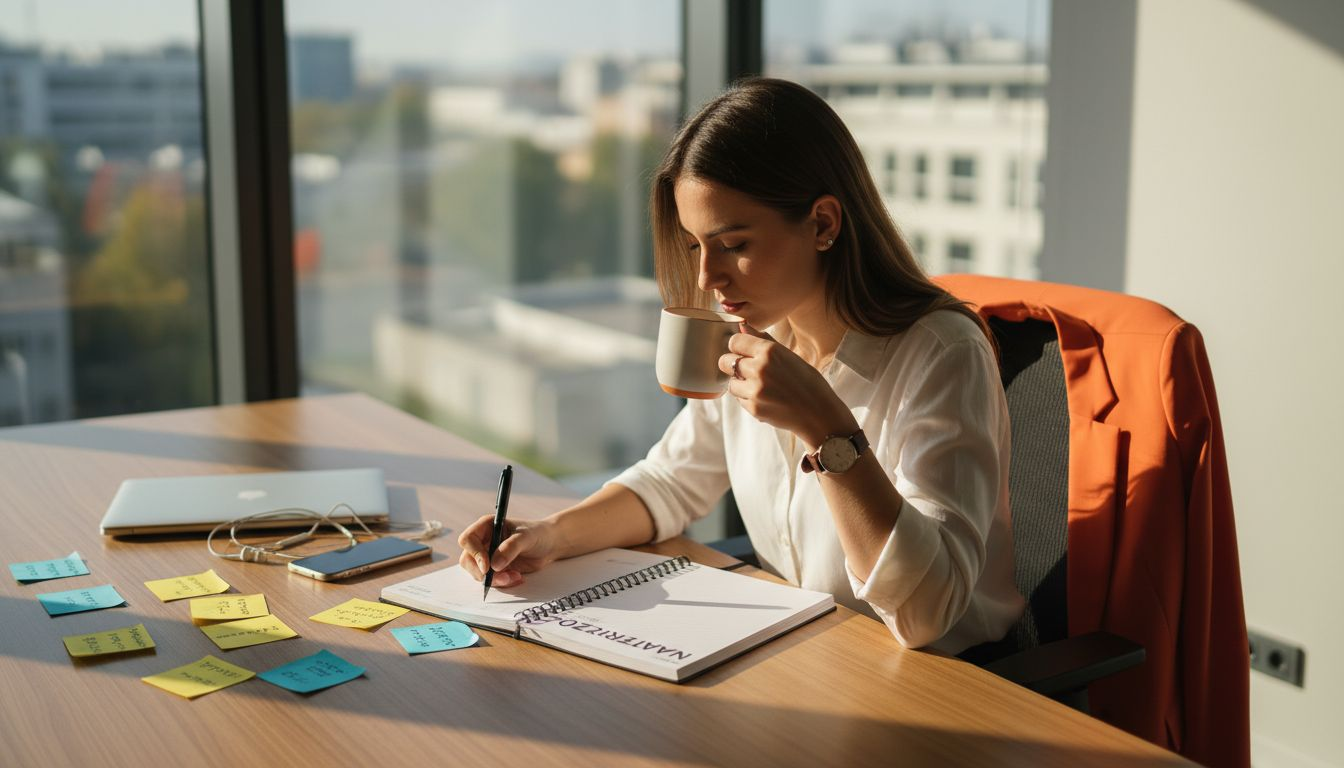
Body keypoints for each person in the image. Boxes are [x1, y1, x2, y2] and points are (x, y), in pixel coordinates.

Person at [459, 77, 1024, 654]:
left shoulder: (942, 354)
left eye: (733, 244)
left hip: (952, 682)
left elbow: (930, 613)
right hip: (817, 653)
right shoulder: (751, 337)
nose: (707, 277)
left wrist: (829, 434)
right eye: (695, 245)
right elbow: (671, 481)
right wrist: (549, 535)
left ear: (824, 224)